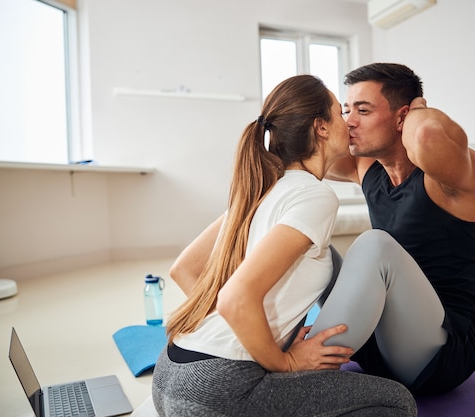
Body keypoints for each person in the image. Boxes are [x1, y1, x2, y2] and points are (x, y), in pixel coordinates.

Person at [151, 74, 417, 417]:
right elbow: (236, 297)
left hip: (170, 375)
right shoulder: (315, 195)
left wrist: (266, 339)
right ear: (320, 127)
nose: (348, 120)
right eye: (340, 112)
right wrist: (285, 361)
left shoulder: (263, 188)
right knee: (396, 403)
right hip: (219, 392)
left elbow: (184, 269)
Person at [308, 63, 475, 395]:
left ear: (402, 117)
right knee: (309, 247)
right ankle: (287, 346)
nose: (350, 121)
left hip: (437, 353)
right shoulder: (367, 169)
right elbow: (306, 151)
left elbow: (427, 135)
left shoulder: (447, 179)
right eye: (347, 110)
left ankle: (304, 374)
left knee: (375, 245)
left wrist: (417, 107)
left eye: (363, 110)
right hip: (378, 347)